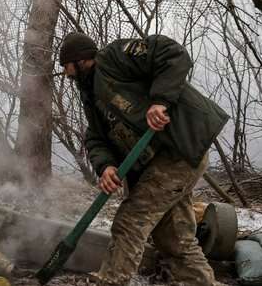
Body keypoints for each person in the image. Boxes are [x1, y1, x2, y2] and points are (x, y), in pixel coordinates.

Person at [58, 32, 229, 286]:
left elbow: (171, 52)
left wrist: (160, 101)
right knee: (173, 237)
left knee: (131, 219)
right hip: (156, 162)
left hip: (177, 149)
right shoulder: (90, 95)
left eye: (66, 66)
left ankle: (110, 281)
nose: (66, 74)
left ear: (79, 59)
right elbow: (96, 138)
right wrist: (105, 167)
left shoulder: (114, 57)